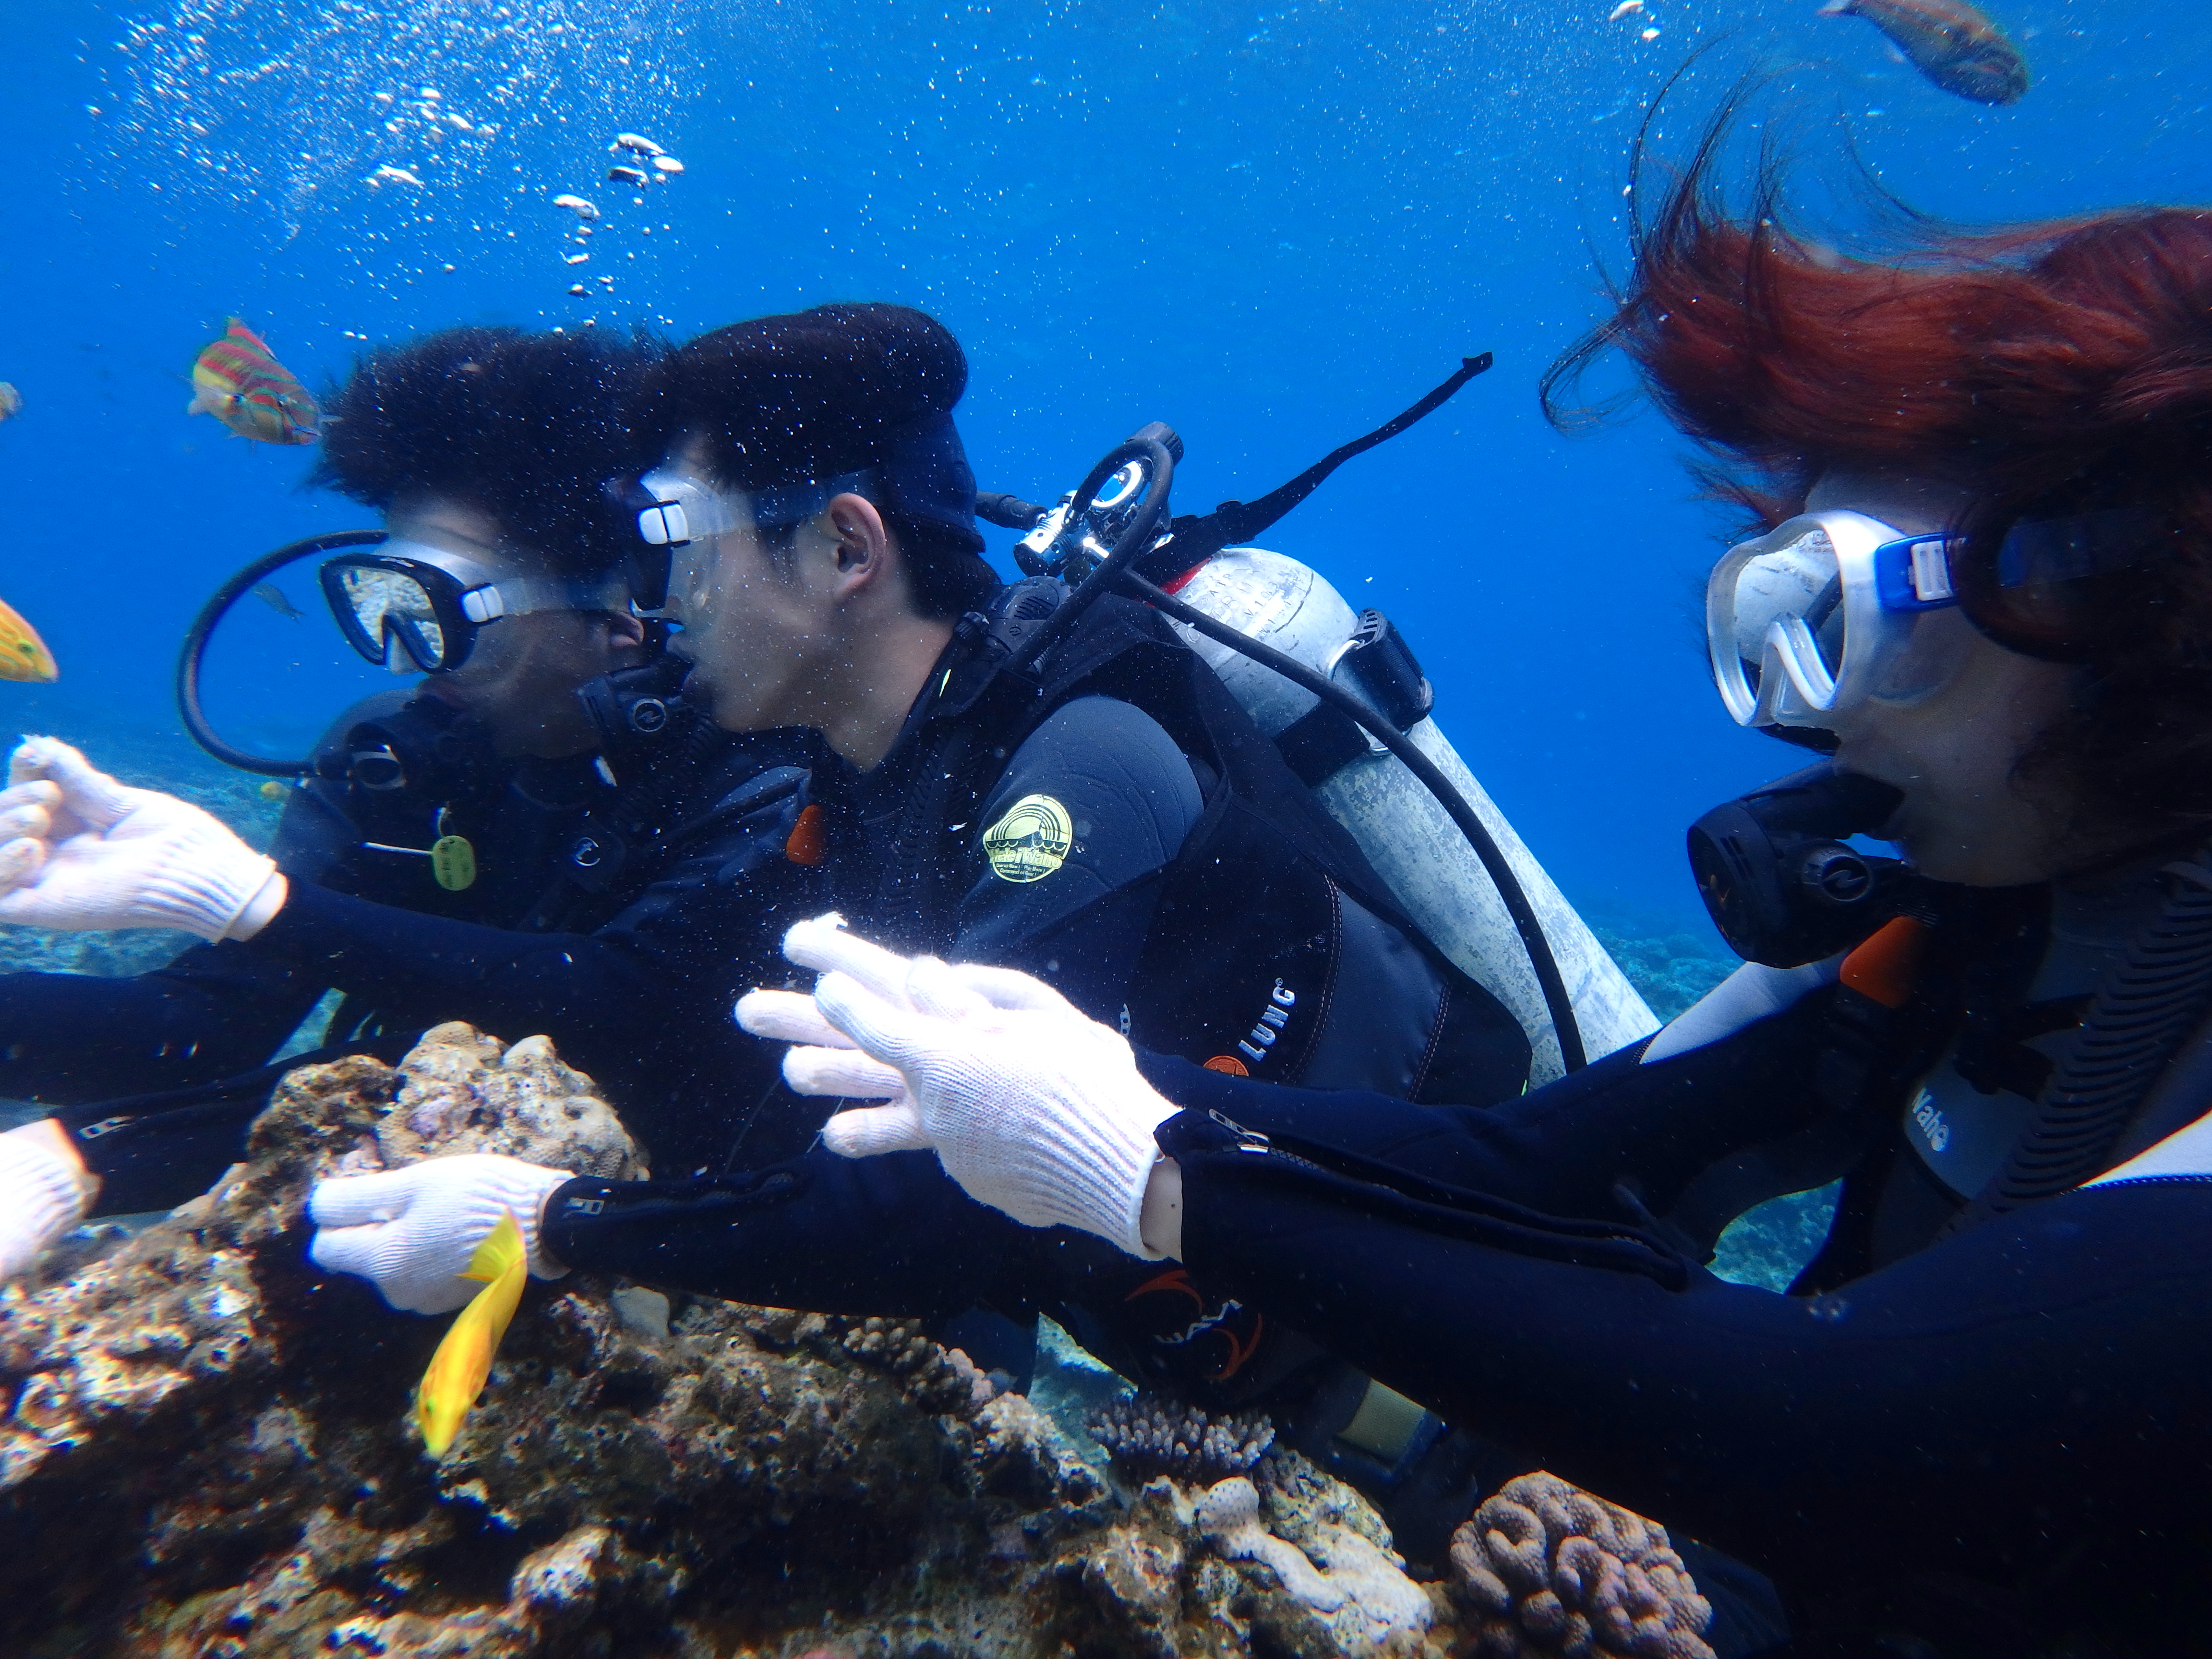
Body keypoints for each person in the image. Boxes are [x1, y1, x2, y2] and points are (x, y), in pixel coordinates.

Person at [686, 175, 2212, 1653]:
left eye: (1851, 630)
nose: (1823, 729)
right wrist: (1107, 1086)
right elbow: (1529, 1160)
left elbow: (1831, 1417)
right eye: (1771, 624)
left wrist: (1154, 1179)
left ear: (2149, 604)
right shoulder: (1968, 928)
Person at [303, 302, 1537, 1506]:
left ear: (847, 550)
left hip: (1464, 1374)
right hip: (1261, 1369)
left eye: (681, 541)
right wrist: (267, 911)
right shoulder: (862, 777)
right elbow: (649, 989)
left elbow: (933, 1220)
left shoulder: (1075, 769)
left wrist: (562, 1222)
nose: (661, 599)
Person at [0, 326, 825, 1273]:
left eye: (442, 610)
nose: (405, 660)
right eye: (383, 604)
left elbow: (619, 1023)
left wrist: (87, 1154)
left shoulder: (756, 775)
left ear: (622, 618)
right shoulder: (397, 765)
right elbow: (204, 1027)